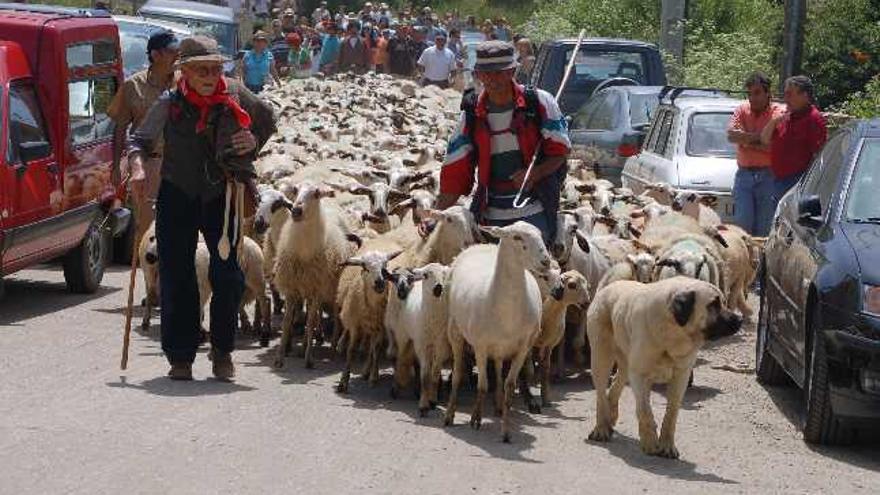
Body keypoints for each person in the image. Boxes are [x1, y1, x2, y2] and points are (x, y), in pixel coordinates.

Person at [127, 35, 276, 381]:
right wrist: (136, 167)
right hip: (177, 192)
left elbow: (268, 118)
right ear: (185, 72)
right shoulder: (170, 102)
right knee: (176, 274)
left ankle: (222, 351)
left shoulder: (235, 96)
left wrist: (253, 141)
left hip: (221, 195)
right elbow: (139, 140)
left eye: (215, 69)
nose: (210, 76)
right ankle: (181, 356)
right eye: (202, 70)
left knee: (228, 274)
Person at [432, 41, 571, 243]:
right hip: (491, 212)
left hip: (534, 208)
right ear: (477, 75)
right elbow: (456, 169)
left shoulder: (540, 102)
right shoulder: (471, 114)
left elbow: (560, 151)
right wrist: (436, 216)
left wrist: (535, 173)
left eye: (499, 73)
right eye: (485, 73)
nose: (492, 79)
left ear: (512, 72)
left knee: (540, 257)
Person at [107, 31, 180, 247]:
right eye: (172, 52)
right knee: (148, 230)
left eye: (178, 51)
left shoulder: (183, 83)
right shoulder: (133, 86)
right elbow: (120, 127)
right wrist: (116, 167)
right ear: (156, 55)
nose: (177, 56)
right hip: (148, 165)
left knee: (178, 228)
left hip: (179, 165)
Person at [727, 72, 784, 236]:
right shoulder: (742, 110)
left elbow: (774, 146)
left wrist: (745, 140)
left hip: (769, 177)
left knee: (764, 228)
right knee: (742, 225)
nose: (752, 98)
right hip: (744, 176)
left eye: (757, 93)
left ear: (768, 93)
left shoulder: (778, 112)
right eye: (749, 93)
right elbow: (732, 136)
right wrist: (761, 139)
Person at [760, 75, 828, 202]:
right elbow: (764, 139)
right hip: (777, 181)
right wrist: (773, 122)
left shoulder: (814, 119)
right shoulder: (786, 116)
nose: (786, 99)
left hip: (797, 183)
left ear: (805, 96)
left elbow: (819, 156)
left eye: (790, 94)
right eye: (785, 94)